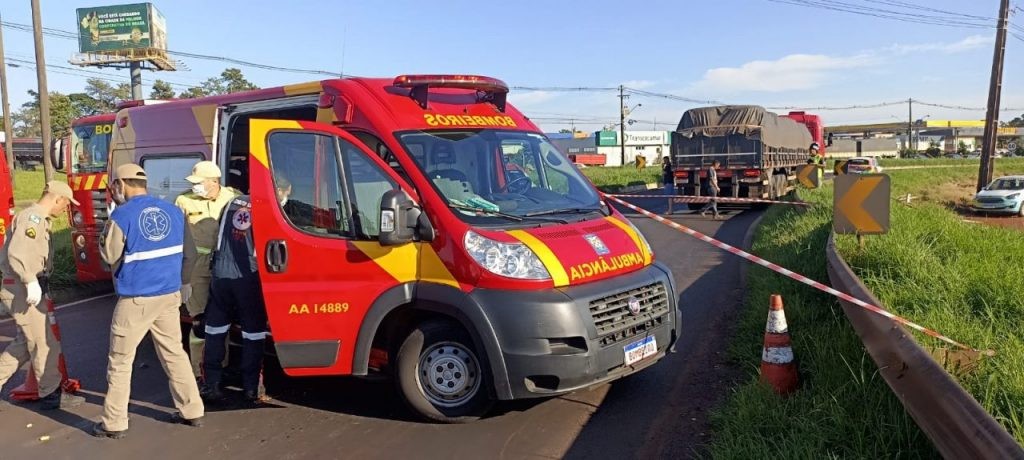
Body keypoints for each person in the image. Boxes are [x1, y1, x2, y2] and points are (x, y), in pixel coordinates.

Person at [94, 164, 204, 438]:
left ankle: (114, 423)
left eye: (113, 188)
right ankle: (192, 410)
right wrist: (185, 282)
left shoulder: (122, 215)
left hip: (136, 300)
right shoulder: (174, 211)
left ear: (120, 185)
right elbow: (190, 255)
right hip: (169, 296)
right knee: (174, 354)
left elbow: (108, 255)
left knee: (120, 361)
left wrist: (107, 226)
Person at [0, 181, 84, 410]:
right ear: (57, 198)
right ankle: (50, 394)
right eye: (65, 203)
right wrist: (30, 281)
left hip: (22, 287)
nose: (64, 209)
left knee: (23, 345)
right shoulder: (33, 219)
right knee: (43, 344)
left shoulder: (36, 219)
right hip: (23, 287)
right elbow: (18, 253)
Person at [174, 160, 240, 383]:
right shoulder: (183, 201)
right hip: (197, 267)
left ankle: (220, 366)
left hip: (225, 264)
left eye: (199, 183)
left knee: (222, 319)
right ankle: (197, 371)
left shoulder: (233, 197)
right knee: (200, 321)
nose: (195, 187)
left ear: (214, 181)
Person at [200, 193, 268, 405]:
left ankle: (211, 384)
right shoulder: (265, 204)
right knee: (253, 335)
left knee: (215, 332)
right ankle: (251, 388)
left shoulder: (232, 202)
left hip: (221, 274)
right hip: (247, 276)